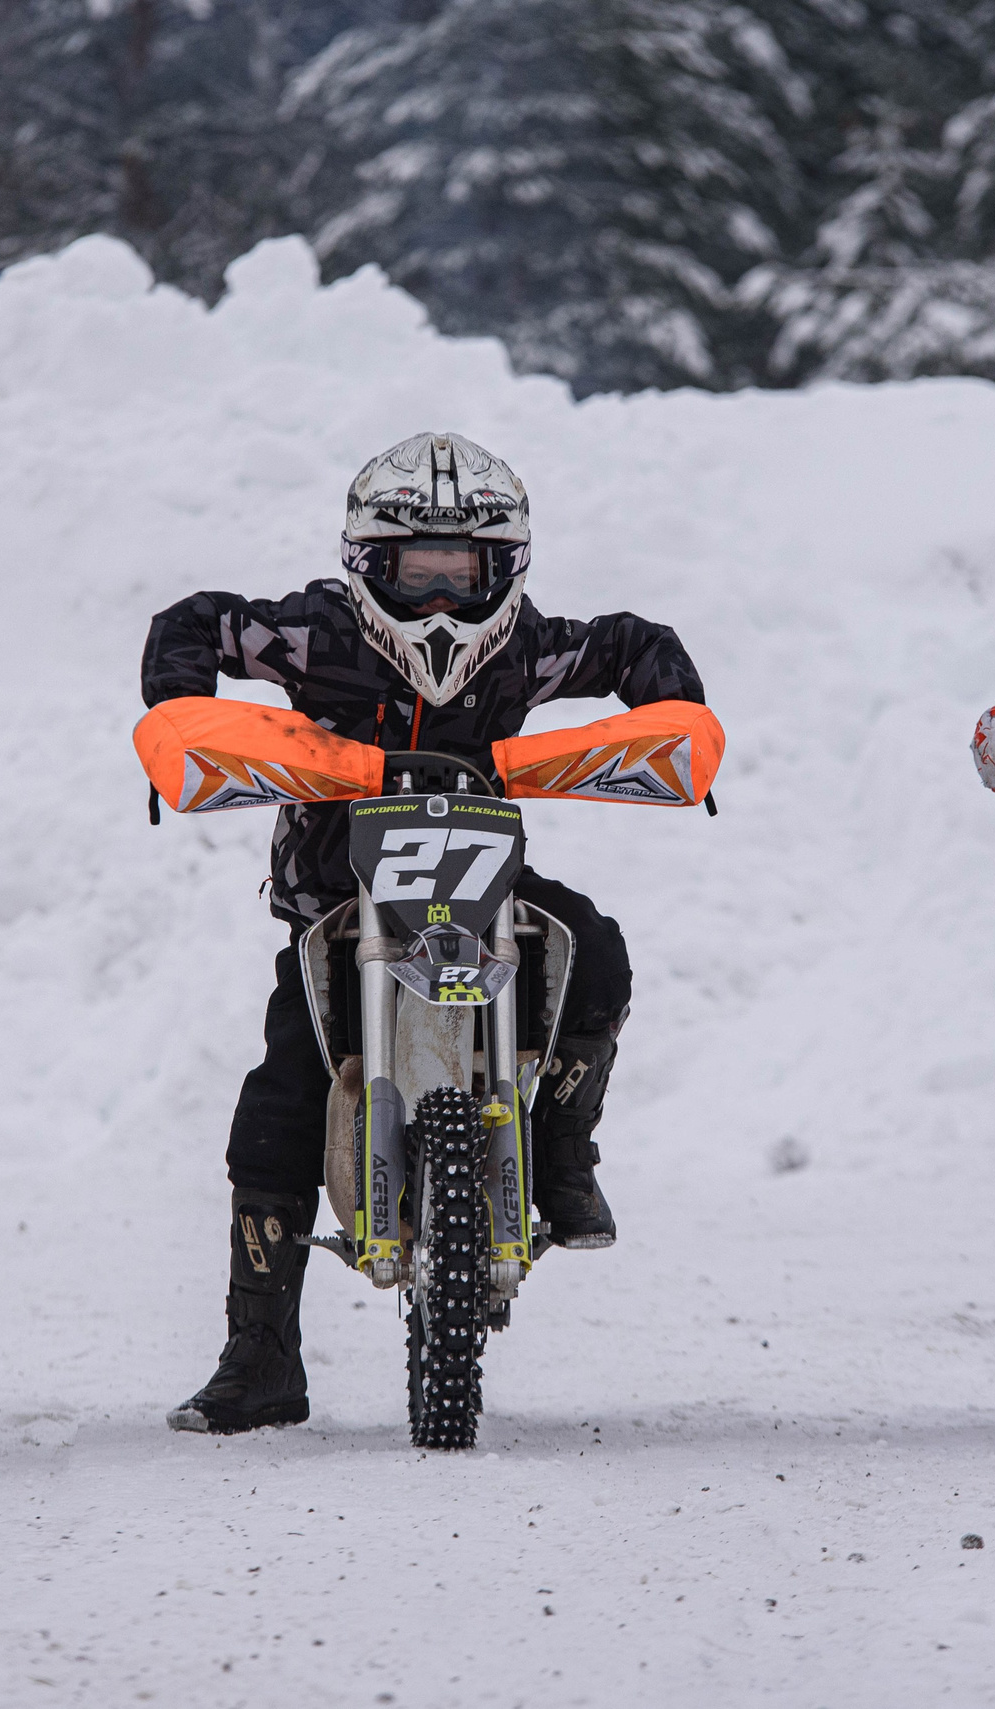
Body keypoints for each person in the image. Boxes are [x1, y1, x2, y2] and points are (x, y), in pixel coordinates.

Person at [144, 431, 709, 1434]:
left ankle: (561, 1153)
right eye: (418, 568)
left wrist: (678, 716)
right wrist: (179, 714)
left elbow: (632, 643)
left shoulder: (531, 643)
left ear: (506, 568)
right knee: (281, 1094)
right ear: (369, 564)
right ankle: (259, 1352)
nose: (442, 595)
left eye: (465, 569)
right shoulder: (313, 631)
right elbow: (196, 622)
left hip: (485, 883)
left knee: (597, 954)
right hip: (335, 898)